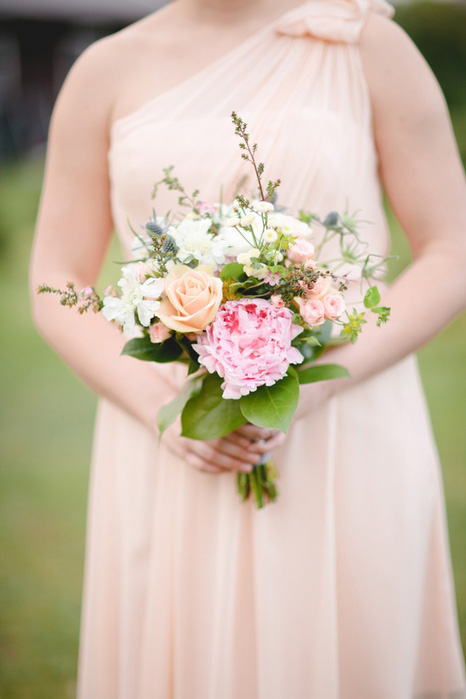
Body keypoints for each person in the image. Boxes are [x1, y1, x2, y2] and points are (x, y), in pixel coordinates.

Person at [30, 0, 466, 696]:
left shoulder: (368, 46)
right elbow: (55, 277)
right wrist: (165, 408)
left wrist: (316, 381)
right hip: (174, 435)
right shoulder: (104, 68)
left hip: (342, 426)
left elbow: (452, 249)